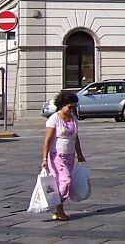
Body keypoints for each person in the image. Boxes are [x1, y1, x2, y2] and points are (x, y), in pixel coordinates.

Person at [41, 90, 85, 221]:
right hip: (57, 156)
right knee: (66, 181)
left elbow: (76, 138)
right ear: (62, 105)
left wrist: (80, 154)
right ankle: (58, 208)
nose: (71, 110)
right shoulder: (53, 119)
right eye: (69, 107)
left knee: (62, 183)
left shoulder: (73, 119)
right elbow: (47, 140)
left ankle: (58, 208)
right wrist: (44, 158)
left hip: (70, 155)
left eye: (74, 107)